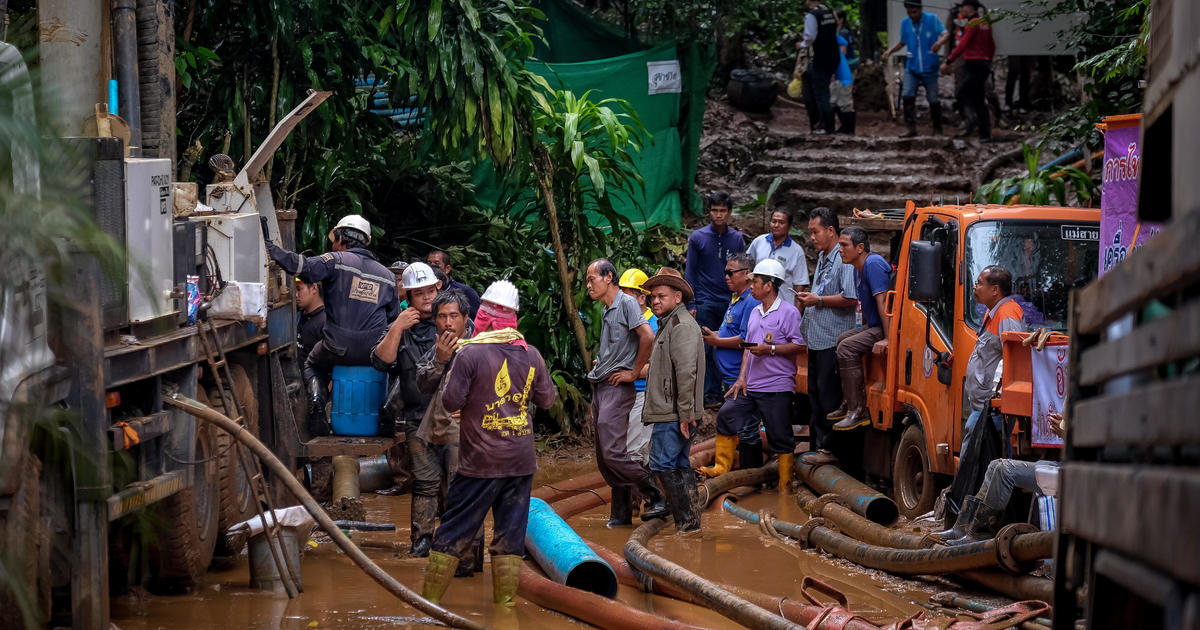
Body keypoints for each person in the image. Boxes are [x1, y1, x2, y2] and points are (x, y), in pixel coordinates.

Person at [420, 288, 556, 607]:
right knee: (510, 536)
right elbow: (547, 400)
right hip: (520, 462)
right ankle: (505, 610)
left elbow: (451, 400)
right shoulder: (531, 354)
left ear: (484, 318)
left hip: (480, 462)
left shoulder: (470, 354)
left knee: (453, 530)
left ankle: (426, 606)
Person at [262, 214, 400, 436]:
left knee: (313, 365)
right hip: (374, 353)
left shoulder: (335, 260)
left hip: (337, 348)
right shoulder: (387, 276)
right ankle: (389, 408)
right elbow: (394, 319)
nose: (333, 244)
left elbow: (301, 266)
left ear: (341, 239)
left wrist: (271, 248)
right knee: (403, 364)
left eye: (334, 240)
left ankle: (317, 403)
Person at [700, 259, 804, 491]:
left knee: (780, 437)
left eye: (755, 281)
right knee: (727, 415)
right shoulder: (756, 311)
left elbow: (799, 346)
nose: (751, 284)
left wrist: (771, 349)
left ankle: (784, 485)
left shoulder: (788, 312)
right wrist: (741, 377)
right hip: (751, 385)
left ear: (769, 285)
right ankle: (721, 469)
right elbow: (748, 347)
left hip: (777, 386)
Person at [585, 258, 668, 527]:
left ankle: (655, 494)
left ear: (609, 277)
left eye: (591, 279)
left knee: (613, 453)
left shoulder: (628, 303)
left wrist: (633, 372)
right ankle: (620, 516)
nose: (588, 285)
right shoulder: (608, 309)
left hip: (620, 387)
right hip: (603, 385)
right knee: (604, 458)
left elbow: (648, 336)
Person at [371, 261, 442, 554]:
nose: (427, 298)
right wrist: (398, 326)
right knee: (424, 482)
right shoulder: (400, 327)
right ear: (408, 297)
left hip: (455, 415)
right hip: (418, 416)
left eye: (431, 291)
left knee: (458, 483)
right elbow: (380, 361)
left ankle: (458, 545)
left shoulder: (452, 318)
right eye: (419, 293)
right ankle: (422, 541)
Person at [944, 266, 1026, 519]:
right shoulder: (995, 312)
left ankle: (976, 514)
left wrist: (996, 398)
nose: (975, 287)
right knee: (977, 458)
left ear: (995, 289)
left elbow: (1012, 359)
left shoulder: (1007, 313)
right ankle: (973, 511)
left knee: (979, 459)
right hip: (984, 406)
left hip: (991, 408)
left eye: (979, 283)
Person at [411, 288, 479, 573]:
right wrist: (440, 358)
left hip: (465, 430)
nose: (448, 322)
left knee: (462, 492)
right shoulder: (439, 343)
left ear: (466, 318)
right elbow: (423, 384)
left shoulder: (480, 344)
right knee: (424, 486)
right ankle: (421, 542)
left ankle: (466, 558)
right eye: (442, 317)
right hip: (433, 424)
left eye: (453, 316)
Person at [640, 268, 705, 534]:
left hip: (673, 412)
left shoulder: (680, 327)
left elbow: (686, 372)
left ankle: (687, 525)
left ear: (678, 297)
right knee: (677, 463)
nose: (655, 301)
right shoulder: (670, 324)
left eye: (661, 296)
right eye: (653, 297)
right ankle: (689, 525)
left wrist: (686, 414)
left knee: (662, 464)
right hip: (674, 410)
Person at [934, 413, 1064, 544]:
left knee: (1005, 470)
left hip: (1073, 473)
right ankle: (962, 528)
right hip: (1065, 466)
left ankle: (981, 534)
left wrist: (1065, 431)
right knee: (994, 465)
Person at [797, 208, 859, 466]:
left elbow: (851, 297)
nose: (812, 237)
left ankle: (830, 451)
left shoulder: (843, 259)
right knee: (814, 394)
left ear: (830, 231)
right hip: (816, 337)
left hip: (832, 339)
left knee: (829, 396)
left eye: (815, 231)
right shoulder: (823, 257)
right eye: (810, 232)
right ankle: (816, 446)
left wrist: (818, 299)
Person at [685, 191, 746, 408]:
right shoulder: (698, 237)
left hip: (730, 301)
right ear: (709, 212)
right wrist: (691, 303)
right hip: (705, 300)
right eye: (714, 210)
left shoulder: (737, 238)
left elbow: (742, 270)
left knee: (730, 344)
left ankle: (728, 389)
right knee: (706, 346)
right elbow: (690, 271)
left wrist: (742, 297)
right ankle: (710, 394)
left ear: (729, 212)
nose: (718, 215)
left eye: (722, 211)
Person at [702, 253, 763, 469]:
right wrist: (714, 335)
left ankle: (752, 476)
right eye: (725, 272)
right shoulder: (736, 298)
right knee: (740, 424)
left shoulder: (751, 301)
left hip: (742, 375)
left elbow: (747, 340)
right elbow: (731, 331)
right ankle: (742, 471)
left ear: (746, 274)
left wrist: (716, 340)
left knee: (746, 426)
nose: (726, 277)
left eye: (731, 272)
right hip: (730, 376)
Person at [828, 226, 891, 431]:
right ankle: (848, 402)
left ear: (860, 247)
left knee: (846, 347)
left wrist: (888, 339)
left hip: (884, 327)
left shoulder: (873, 264)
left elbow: (883, 303)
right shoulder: (858, 268)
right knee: (842, 340)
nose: (840, 250)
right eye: (839, 245)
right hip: (874, 325)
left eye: (845, 245)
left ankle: (858, 410)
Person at [882, 1, 948, 137]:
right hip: (912, 67)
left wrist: (939, 42)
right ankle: (910, 128)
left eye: (915, 12)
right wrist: (890, 50)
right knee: (907, 95)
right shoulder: (905, 23)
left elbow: (945, 34)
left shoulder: (932, 19)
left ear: (920, 9)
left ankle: (937, 128)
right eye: (909, 12)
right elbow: (902, 42)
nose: (912, 15)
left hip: (930, 66)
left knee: (933, 98)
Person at [618, 268, 658, 468]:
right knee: (627, 447)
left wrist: (627, 370)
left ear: (642, 298)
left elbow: (657, 368)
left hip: (644, 393)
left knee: (636, 450)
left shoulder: (654, 324)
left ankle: (646, 493)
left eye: (628, 295)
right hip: (625, 391)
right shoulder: (624, 321)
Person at [942, 0, 995, 141]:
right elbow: (992, 45)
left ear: (970, 9)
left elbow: (962, 45)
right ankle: (985, 134)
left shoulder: (973, 23)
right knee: (978, 100)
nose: (961, 10)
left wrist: (948, 61)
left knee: (962, 93)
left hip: (976, 65)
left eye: (963, 7)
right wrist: (988, 61)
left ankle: (970, 122)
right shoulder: (984, 23)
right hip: (982, 65)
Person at [746, 209, 810, 308]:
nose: (776, 225)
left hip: (782, 306)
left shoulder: (796, 251)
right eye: (774, 221)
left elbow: (799, 285)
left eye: (781, 222)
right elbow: (747, 266)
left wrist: (796, 314)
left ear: (789, 227)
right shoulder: (758, 242)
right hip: (756, 304)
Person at [796, 0, 841, 134]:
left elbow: (810, 36)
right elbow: (835, 29)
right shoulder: (830, 12)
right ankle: (830, 125)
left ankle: (826, 127)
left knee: (821, 94)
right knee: (827, 91)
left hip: (820, 57)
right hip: (833, 56)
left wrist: (802, 44)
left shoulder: (812, 15)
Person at [427, 249, 481, 318]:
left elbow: (478, 319)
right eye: (429, 263)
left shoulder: (465, 291)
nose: (432, 267)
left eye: (436, 263)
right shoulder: (424, 291)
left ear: (447, 269)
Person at [831, 9, 857, 134]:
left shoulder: (843, 33)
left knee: (844, 99)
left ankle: (849, 129)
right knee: (835, 98)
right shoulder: (836, 32)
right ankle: (844, 126)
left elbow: (843, 52)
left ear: (840, 20)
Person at [295, 277, 325, 369]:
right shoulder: (298, 316)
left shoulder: (324, 322)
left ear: (314, 288)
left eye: (299, 289)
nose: (296, 295)